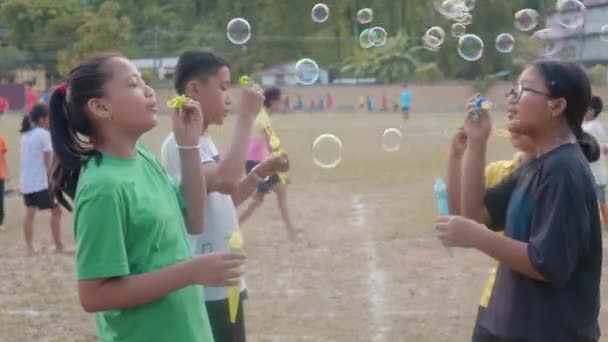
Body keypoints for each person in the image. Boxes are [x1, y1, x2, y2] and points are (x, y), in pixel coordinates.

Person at [49, 52, 243, 341]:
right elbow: (94, 294)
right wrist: (189, 273)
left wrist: (188, 147)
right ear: (101, 107)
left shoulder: (142, 157)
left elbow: (193, 220)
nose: (150, 90)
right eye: (134, 84)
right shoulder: (102, 186)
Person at [436, 60, 602, 342]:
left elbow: (547, 264)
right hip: (510, 325)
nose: (510, 99)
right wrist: (477, 143)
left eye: (522, 90)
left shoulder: (564, 170)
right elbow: (477, 213)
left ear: (556, 106)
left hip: (548, 332)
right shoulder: (537, 164)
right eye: (512, 90)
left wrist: (477, 237)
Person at [160, 49, 287, 342]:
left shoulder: (203, 141)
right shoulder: (180, 145)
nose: (229, 97)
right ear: (194, 89)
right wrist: (246, 117)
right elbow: (226, 180)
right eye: (223, 87)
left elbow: (222, 198)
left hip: (223, 279)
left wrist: (260, 172)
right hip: (207, 284)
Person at [239, 87, 299, 240]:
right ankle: (233, 228)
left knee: (266, 196)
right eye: (281, 101)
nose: (283, 105)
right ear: (273, 102)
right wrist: (280, 161)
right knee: (269, 195)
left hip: (257, 161)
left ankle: (291, 231)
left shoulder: (263, 116)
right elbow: (269, 145)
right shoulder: (264, 119)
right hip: (259, 163)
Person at [19, 104, 64, 254]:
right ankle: (59, 246)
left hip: (27, 182)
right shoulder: (44, 135)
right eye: (49, 118)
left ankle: (30, 248)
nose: (50, 121)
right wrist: (53, 178)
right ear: (42, 119)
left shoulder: (26, 135)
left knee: (30, 213)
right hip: (40, 183)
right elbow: (48, 161)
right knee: (57, 211)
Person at [583, 95, 608, 227]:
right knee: (602, 202)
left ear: (591, 111)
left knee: (592, 204)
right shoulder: (598, 127)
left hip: (592, 174)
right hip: (600, 173)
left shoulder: (589, 128)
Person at [0, 133, 8, 231]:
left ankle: (0, 222)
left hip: (0, 175)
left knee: (0, 200)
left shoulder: (1, 140)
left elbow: (3, 157)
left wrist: (7, 172)